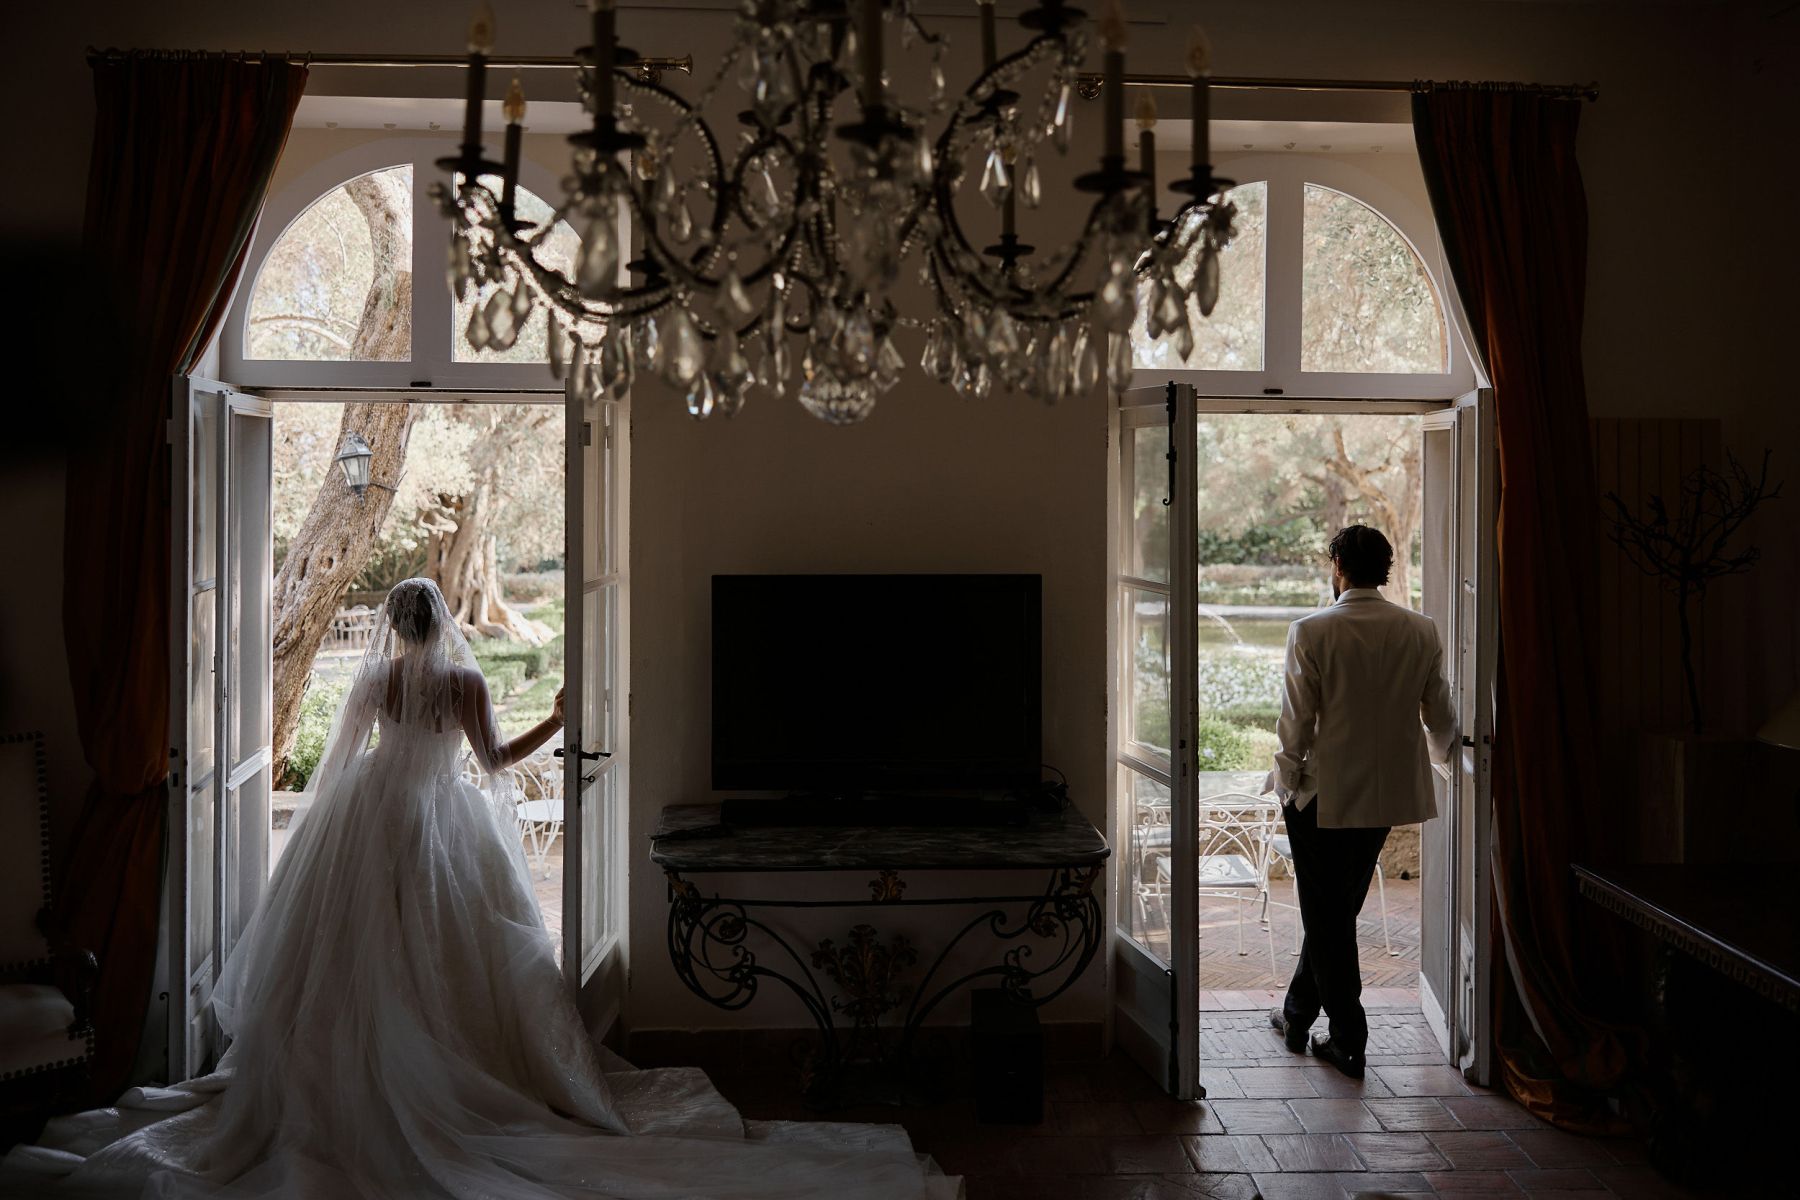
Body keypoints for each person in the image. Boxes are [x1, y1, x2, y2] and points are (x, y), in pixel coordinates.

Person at [3, 579, 954, 1199]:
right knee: (447, 955)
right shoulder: (462, 682)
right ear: (444, 620)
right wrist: (558, 721)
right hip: (435, 817)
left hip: (369, 814)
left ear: (393, 627)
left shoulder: (375, 683)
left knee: (356, 955)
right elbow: (495, 763)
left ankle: (337, 1077)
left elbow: (340, 765)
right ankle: (461, 1069)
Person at [1263, 527, 1455, 1079]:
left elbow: (1296, 721)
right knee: (1336, 911)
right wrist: (1447, 759)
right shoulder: (1420, 629)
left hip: (1322, 795)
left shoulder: (1311, 630)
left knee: (1327, 914)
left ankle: (1349, 1037)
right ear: (1385, 570)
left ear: (1338, 565)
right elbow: (1439, 715)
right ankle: (1297, 1015)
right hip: (1384, 795)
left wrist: (1286, 782)